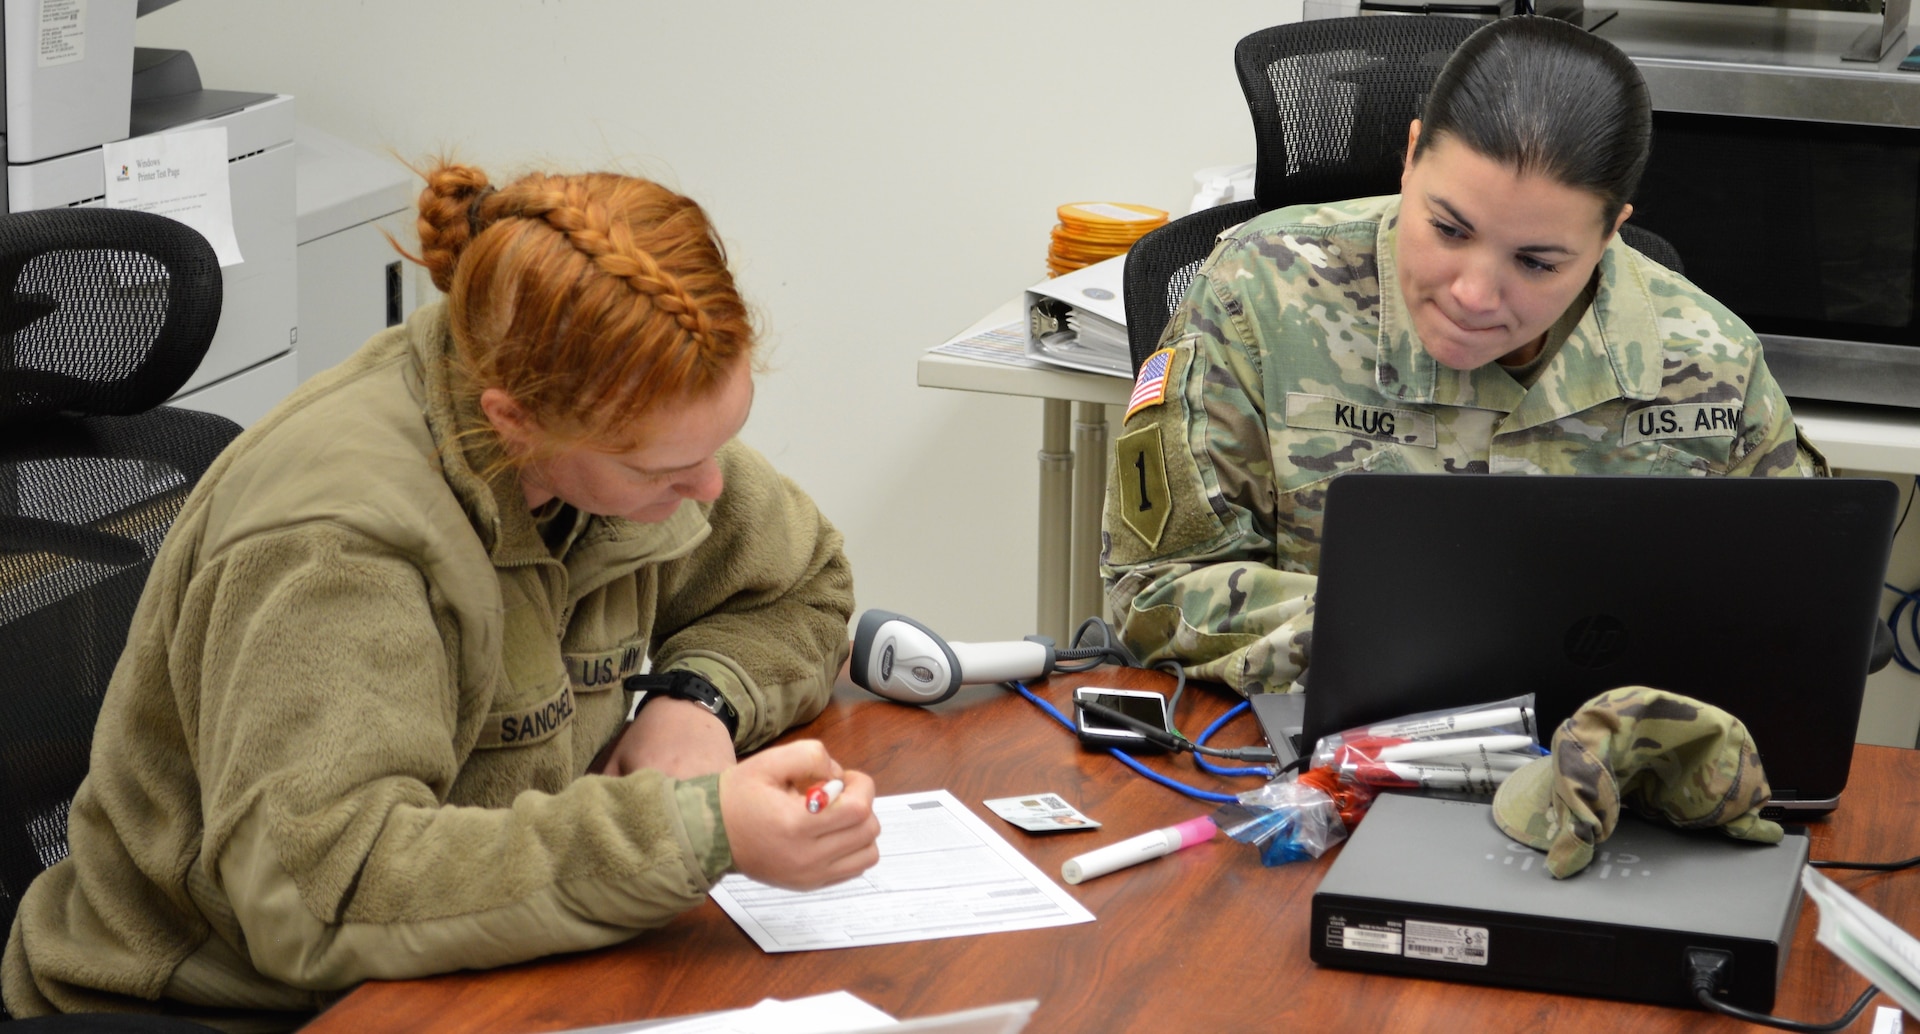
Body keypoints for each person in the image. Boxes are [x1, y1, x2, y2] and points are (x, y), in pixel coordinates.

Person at [2, 162, 880, 1028]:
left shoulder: (618, 431)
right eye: (665, 467)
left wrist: (698, 703)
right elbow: (324, 896)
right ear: (515, 420)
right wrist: (692, 832)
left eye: (719, 444)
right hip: (230, 1005)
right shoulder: (337, 547)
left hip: (478, 953)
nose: (711, 489)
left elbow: (801, 588)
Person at [1102, 16, 1825, 699]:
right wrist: (1418, 638)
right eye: (1448, 229)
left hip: (1600, 771)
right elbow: (1157, 591)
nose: (1475, 294)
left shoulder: (1712, 361)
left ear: (1611, 234)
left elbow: (1802, 611)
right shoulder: (1259, 292)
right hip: (1317, 763)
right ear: (1412, 158)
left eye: (1537, 263)